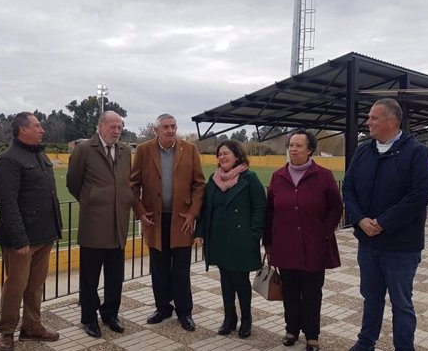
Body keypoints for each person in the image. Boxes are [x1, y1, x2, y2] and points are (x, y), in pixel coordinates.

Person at [343, 98, 428, 351]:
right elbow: (348, 189)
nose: (368, 122)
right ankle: (365, 342)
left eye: (374, 118)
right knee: (371, 298)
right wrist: (360, 220)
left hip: (401, 246)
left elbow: (419, 196)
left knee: (401, 303)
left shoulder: (416, 152)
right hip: (368, 242)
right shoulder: (363, 151)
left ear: (392, 122)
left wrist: (383, 223)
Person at [264, 130, 343, 351]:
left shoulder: (324, 176)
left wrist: (325, 233)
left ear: (310, 149)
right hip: (285, 245)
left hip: (314, 246)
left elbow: (336, 207)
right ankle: (291, 329)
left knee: (311, 292)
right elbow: (269, 211)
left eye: (299, 145)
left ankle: (312, 335)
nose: (293, 149)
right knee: (289, 291)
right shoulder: (278, 176)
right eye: (290, 145)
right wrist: (268, 241)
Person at [0, 112, 63, 351]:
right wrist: (20, 238)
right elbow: (7, 203)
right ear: (23, 129)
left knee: (35, 286)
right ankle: (7, 332)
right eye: (37, 125)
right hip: (21, 240)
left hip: (44, 234)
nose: (42, 130)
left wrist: (54, 230)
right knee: (16, 286)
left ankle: (32, 327)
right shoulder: (8, 160)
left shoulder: (39, 154)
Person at [130, 113, 205, 332]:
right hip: (154, 220)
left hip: (181, 220)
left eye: (173, 126)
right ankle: (163, 307)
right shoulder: (144, 150)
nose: (170, 130)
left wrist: (192, 213)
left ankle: (185, 311)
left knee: (181, 269)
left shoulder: (189, 149)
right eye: (166, 127)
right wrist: (140, 211)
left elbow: (199, 184)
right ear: (156, 130)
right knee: (159, 268)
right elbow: (133, 184)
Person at [66, 110, 134, 338]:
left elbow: (127, 183)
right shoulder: (85, 149)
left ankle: (110, 314)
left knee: (116, 276)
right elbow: (73, 183)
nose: (116, 131)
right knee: (90, 278)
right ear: (100, 126)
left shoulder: (125, 151)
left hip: (118, 225)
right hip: (94, 225)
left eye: (119, 127)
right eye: (112, 126)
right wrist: (91, 200)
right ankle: (89, 318)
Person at [193, 140, 265, 339]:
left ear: (237, 156)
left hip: (241, 239)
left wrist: (253, 233)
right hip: (218, 238)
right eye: (220, 154)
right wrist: (199, 232)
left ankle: (246, 320)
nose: (222, 157)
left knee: (240, 280)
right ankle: (229, 318)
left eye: (226, 153)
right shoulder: (214, 179)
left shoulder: (249, 178)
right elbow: (205, 209)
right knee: (225, 280)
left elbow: (260, 208)